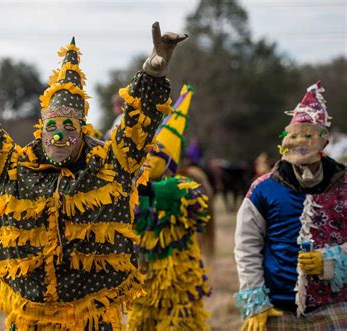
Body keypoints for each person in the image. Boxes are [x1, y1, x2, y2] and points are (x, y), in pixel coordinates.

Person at [0, 23, 187, 330]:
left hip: (92, 315)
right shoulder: (14, 167)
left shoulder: (112, 166)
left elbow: (138, 125)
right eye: (52, 128)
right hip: (30, 315)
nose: (59, 136)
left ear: (82, 132)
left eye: (69, 127)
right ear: (41, 131)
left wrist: (153, 72)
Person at [234, 81, 346, 330]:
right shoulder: (263, 188)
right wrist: (255, 300)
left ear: (324, 142)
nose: (300, 143)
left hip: (337, 307)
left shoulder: (345, 184)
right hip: (277, 308)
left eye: (308, 135)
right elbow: (246, 247)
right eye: (294, 136)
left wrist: (333, 261)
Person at [128, 84, 210, 330]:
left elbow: (195, 205)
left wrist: (150, 190)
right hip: (143, 285)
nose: (147, 162)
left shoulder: (183, 187)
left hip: (179, 289)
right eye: (145, 156)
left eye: (155, 157)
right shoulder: (132, 193)